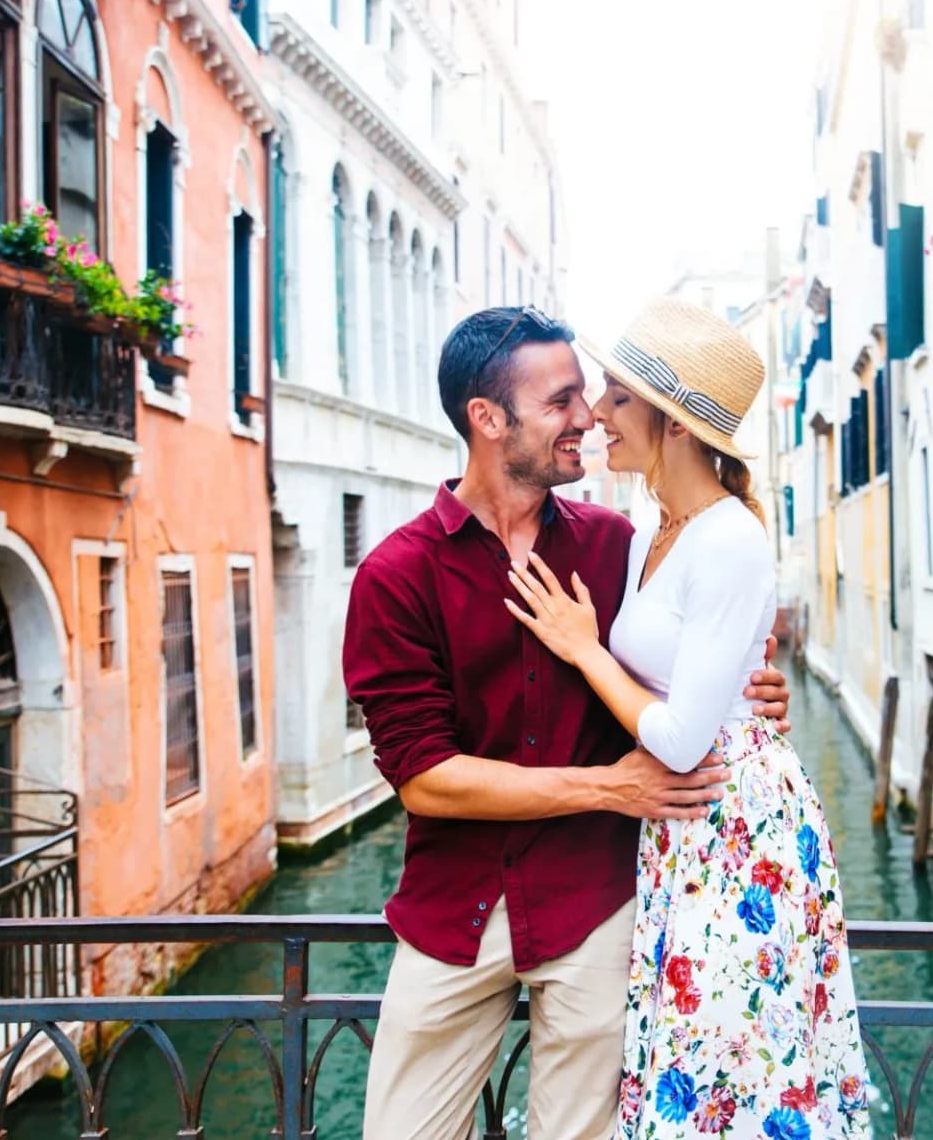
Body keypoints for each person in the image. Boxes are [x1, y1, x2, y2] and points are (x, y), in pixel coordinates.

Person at [342, 305, 792, 1140]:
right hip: (456, 911)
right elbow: (424, 779)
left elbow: (676, 671)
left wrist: (751, 697)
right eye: (562, 401)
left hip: (598, 904)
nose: (587, 418)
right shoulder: (396, 576)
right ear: (487, 419)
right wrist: (610, 787)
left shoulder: (617, 543)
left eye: (593, 397)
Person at [506, 299, 870, 1140]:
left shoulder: (730, 539)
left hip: (736, 822)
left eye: (617, 399)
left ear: (672, 424)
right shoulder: (646, 535)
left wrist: (580, 645)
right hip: (682, 828)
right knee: (694, 1057)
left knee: (739, 1059)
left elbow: (678, 735)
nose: (597, 413)